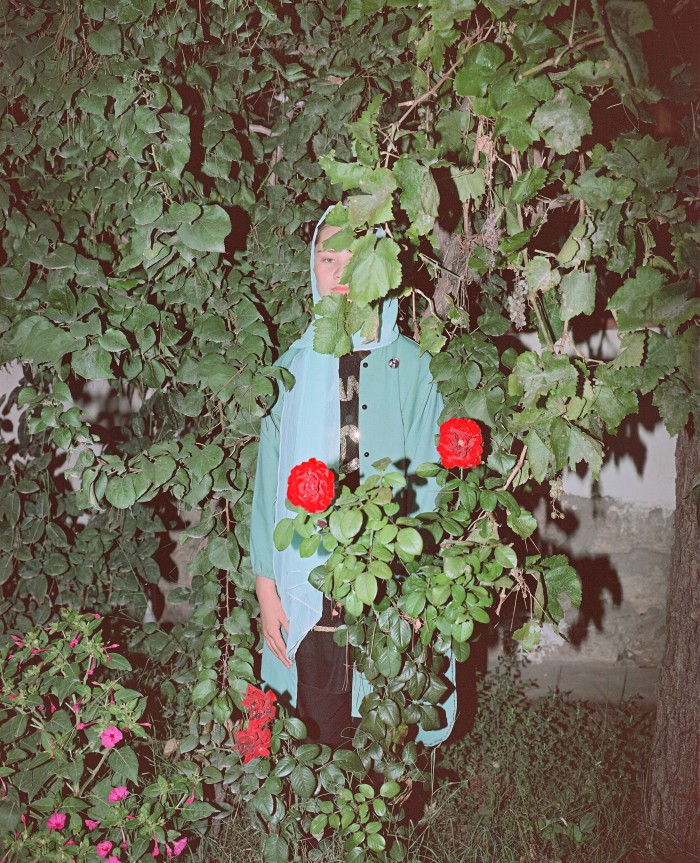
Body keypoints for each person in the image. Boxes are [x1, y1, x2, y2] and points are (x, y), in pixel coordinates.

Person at [250, 209, 455, 749]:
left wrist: (418, 596)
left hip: (389, 585)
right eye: (327, 257)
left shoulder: (413, 368)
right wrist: (268, 589)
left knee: (385, 732)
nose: (339, 272)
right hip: (308, 588)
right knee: (315, 728)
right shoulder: (290, 367)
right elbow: (268, 481)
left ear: (381, 269)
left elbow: (429, 488)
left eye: (356, 257)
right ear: (311, 268)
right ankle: (320, 830)